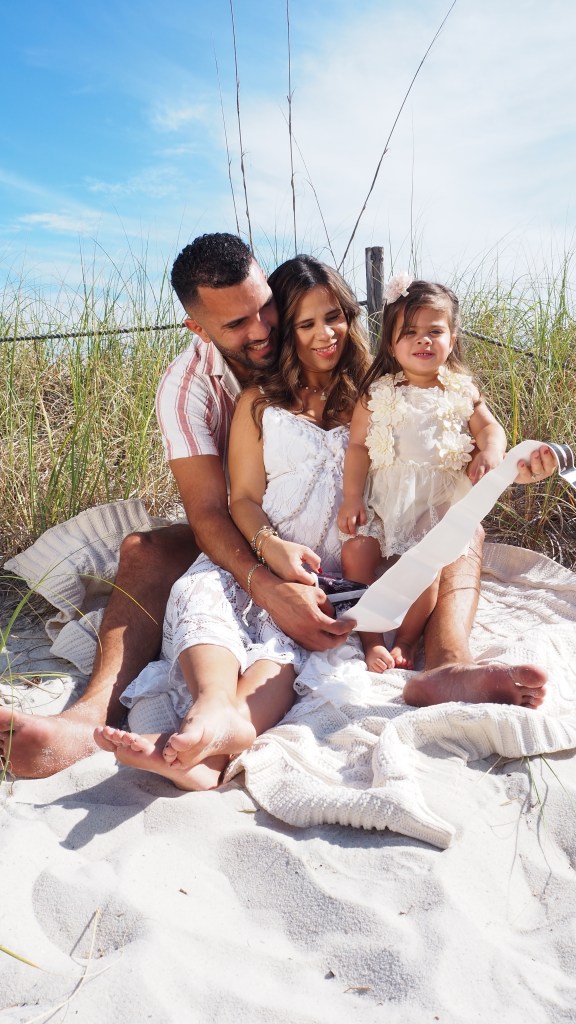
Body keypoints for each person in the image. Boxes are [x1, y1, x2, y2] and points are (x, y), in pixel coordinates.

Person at [0, 235, 554, 780]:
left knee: (456, 525)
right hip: (261, 532)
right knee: (164, 563)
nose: (262, 329)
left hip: (358, 542)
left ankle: (449, 664)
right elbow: (216, 509)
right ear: (200, 328)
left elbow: (444, 441)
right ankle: (95, 718)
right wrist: (268, 571)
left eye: (264, 309)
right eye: (239, 324)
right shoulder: (199, 390)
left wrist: (504, 459)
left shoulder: (376, 385)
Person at [94, 255, 373, 788]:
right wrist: (270, 550)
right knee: (202, 594)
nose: (321, 333)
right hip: (263, 545)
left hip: (331, 565)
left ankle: (216, 750)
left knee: (286, 652)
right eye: (305, 323)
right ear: (199, 328)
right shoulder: (254, 403)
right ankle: (213, 705)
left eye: (333, 317)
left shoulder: (370, 395)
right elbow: (234, 500)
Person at [338, 275, 506, 673]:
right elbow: (358, 447)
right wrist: (352, 497)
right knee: (356, 554)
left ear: (452, 338)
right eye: (410, 332)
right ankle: (371, 638)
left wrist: (490, 451)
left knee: (427, 571)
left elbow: (490, 428)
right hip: (383, 502)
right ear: (391, 344)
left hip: (435, 506)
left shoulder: (461, 390)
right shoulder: (378, 393)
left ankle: (407, 640)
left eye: (435, 331)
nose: (423, 340)